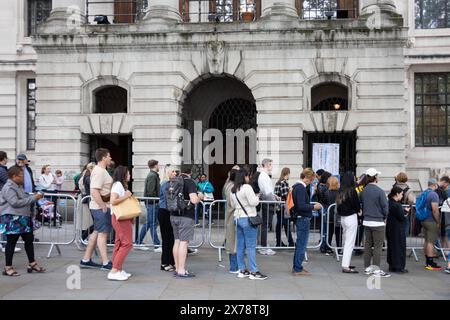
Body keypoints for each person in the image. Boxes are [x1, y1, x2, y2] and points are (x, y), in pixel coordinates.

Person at [0, 166, 45, 276]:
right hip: (12, 218)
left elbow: (23, 199)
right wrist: (35, 198)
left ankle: (32, 263)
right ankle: (8, 267)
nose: (23, 178)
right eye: (21, 176)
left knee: (29, 240)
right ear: (14, 176)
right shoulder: (8, 187)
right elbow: (15, 202)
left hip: (23, 217)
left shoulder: (18, 186)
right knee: (11, 242)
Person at [79, 148, 114, 270]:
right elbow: (94, 191)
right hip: (100, 208)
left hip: (98, 207)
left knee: (96, 232)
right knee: (103, 234)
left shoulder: (100, 171)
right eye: (109, 156)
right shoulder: (100, 171)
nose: (110, 158)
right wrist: (103, 205)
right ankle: (105, 262)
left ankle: (86, 259)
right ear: (104, 157)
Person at [230, 169, 268, 280]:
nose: (249, 178)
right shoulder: (247, 187)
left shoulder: (233, 189)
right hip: (248, 218)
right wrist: (257, 197)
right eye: (248, 176)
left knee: (240, 246)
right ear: (245, 177)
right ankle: (254, 271)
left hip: (237, 218)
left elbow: (232, 204)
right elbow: (253, 202)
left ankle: (242, 270)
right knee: (251, 246)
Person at [292, 168, 322, 276]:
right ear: (306, 178)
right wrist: (314, 206)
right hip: (303, 218)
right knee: (301, 244)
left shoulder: (297, 187)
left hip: (301, 218)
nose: (310, 182)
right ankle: (298, 268)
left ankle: (297, 267)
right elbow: (301, 205)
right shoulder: (300, 188)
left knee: (300, 244)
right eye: (310, 180)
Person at [171, 167, 201, 278]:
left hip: (173, 214)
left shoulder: (173, 181)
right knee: (184, 242)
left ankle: (177, 268)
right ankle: (181, 270)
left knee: (177, 241)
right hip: (185, 215)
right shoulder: (189, 182)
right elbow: (193, 200)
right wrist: (200, 197)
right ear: (191, 173)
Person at [360, 168, 390, 278]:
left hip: (367, 221)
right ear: (375, 177)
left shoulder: (364, 190)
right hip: (378, 221)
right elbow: (385, 207)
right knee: (377, 246)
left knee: (367, 245)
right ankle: (376, 269)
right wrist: (385, 216)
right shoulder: (379, 191)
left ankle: (367, 267)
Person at [108, 166, 133, 281]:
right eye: (128, 173)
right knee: (127, 243)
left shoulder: (119, 185)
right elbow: (113, 201)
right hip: (120, 218)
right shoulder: (118, 185)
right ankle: (114, 270)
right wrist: (126, 196)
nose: (130, 176)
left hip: (120, 217)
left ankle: (117, 269)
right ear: (123, 174)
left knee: (119, 243)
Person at [336, 172, 361, 273]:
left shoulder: (340, 191)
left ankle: (346, 263)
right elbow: (357, 205)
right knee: (349, 243)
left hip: (343, 218)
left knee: (346, 241)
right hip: (351, 217)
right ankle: (345, 265)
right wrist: (359, 211)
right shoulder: (352, 191)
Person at [137, 160, 161, 252]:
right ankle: (157, 245)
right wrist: (156, 201)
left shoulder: (153, 175)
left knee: (149, 223)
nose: (159, 166)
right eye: (158, 165)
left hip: (151, 203)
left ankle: (138, 242)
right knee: (152, 224)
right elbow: (151, 191)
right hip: (152, 203)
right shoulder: (152, 176)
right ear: (155, 165)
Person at [257, 158, 278, 256]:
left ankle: (263, 245)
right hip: (268, 203)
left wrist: (275, 197)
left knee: (266, 225)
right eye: (270, 164)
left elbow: (269, 192)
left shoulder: (264, 175)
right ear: (266, 165)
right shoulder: (264, 176)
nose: (272, 166)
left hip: (268, 202)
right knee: (265, 225)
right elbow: (267, 192)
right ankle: (263, 246)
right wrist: (275, 201)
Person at [386, 186, 409, 274]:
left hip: (390, 227)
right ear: (397, 194)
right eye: (401, 194)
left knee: (392, 247)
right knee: (399, 247)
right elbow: (401, 217)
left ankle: (392, 265)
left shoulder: (390, 202)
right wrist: (406, 212)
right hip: (397, 229)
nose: (402, 196)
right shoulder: (397, 205)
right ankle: (399, 266)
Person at [158, 165, 177, 272]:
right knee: (167, 239)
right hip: (165, 212)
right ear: (168, 173)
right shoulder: (165, 184)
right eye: (172, 171)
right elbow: (170, 198)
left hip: (170, 212)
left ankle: (171, 261)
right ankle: (164, 263)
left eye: (175, 171)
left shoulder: (171, 184)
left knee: (172, 238)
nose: (175, 173)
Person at [421, 178, 443, 271]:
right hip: (431, 221)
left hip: (423, 219)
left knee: (426, 240)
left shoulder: (424, 193)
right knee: (431, 242)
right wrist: (438, 221)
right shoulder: (434, 194)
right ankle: (430, 263)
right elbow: (435, 210)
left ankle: (427, 261)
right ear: (434, 185)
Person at [223, 166, 240, 274]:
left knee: (232, 241)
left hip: (230, 216)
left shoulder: (228, 185)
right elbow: (232, 203)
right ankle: (234, 267)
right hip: (232, 216)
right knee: (233, 242)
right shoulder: (231, 187)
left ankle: (235, 266)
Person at [274, 167, 294, 247]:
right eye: (289, 174)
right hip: (284, 207)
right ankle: (291, 242)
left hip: (279, 207)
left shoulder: (278, 182)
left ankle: (278, 242)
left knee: (279, 225)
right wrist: (290, 191)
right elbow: (286, 196)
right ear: (287, 174)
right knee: (286, 224)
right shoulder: (284, 183)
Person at [393, 172, 415, 238]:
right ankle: (403, 240)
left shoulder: (394, 188)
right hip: (404, 209)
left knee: (395, 225)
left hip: (395, 208)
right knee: (405, 224)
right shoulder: (409, 190)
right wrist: (408, 205)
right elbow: (411, 200)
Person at [78, 163, 95, 242]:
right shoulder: (88, 177)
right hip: (90, 200)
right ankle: (83, 237)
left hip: (91, 200)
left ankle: (84, 237)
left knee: (96, 223)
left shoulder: (90, 177)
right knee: (96, 222)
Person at [317, 171, 332, 254]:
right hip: (325, 208)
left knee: (324, 228)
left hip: (322, 208)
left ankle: (324, 245)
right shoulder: (324, 187)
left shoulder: (320, 185)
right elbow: (326, 198)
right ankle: (324, 246)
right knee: (325, 229)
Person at [324, 176, 341, 252]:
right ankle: (339, 247)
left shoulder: (327, 192)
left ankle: (328, 247)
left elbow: (324, 202)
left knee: (329, 232)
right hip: (337, 215)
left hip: (329, 214)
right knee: (338, 232)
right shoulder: (339, 193)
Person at [436, 176, 450, 250]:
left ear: (446, 183)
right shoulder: (444, 190)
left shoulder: (448, 191)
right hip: (444, 214)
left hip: (446, 215)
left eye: (442, 182)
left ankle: (446, 250)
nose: (440, 183)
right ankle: (444, 249)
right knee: (443, 232)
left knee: (446, 232)